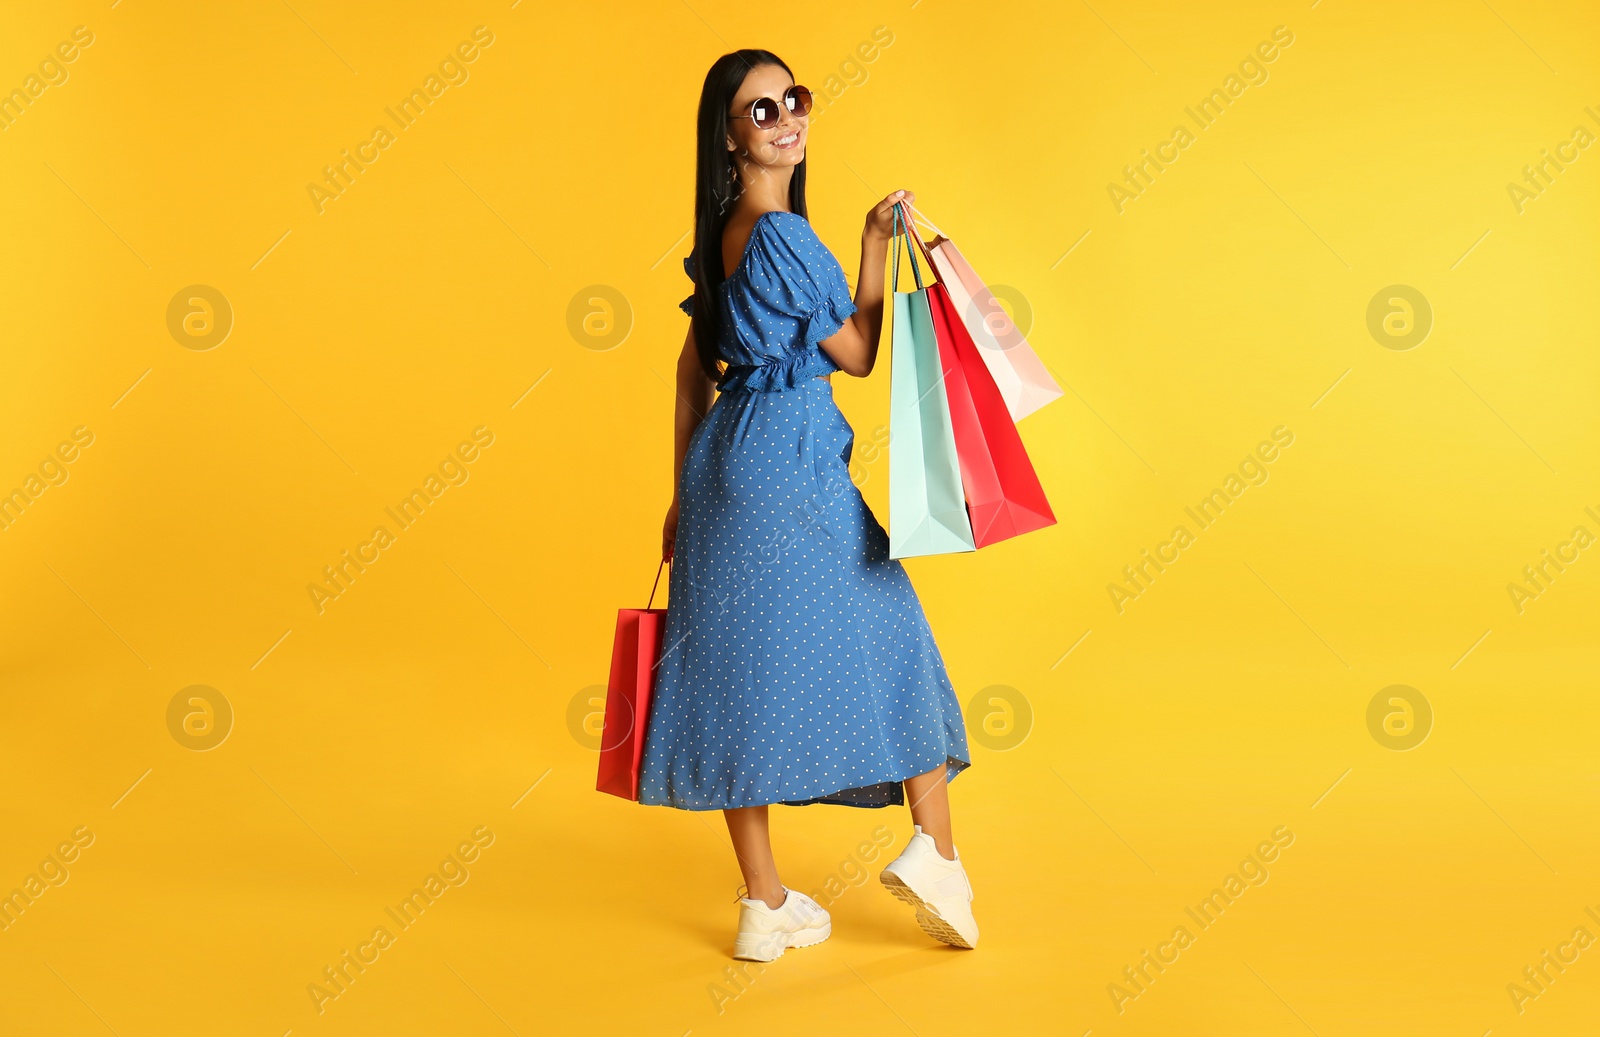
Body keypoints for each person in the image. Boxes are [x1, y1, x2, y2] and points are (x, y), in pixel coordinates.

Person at [636, 48, 978, 962]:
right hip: (787, 460)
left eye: (795, 98)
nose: (787, 117)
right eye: (760, 110)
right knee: (895, 629)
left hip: (721, 470)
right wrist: (872, 251)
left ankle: (766, 903)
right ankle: (938, 853)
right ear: (728, 136)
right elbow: (859, 355)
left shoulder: (723, 233)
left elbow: (688, 379)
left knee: (732, 676)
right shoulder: (784, 237)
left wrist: (681, 495)